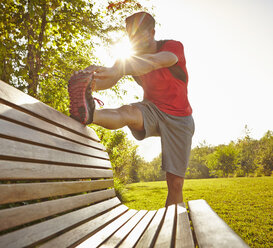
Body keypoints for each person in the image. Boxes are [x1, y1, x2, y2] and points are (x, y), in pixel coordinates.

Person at [68, 12, 195, 207]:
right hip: (152, 109)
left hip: (180, 118)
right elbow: (110, 78)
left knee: (175, 183)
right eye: (130, 35)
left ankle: (175, 228)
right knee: (127, 112)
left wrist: (118, 69)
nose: (134, 40)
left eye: (139, 34)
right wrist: (90, 80)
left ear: (152, 32)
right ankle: (88, 114)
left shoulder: (172, 47)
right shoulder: (129, 58)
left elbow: (158, 61)